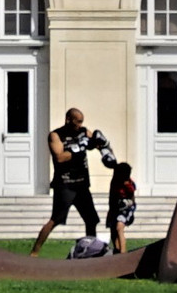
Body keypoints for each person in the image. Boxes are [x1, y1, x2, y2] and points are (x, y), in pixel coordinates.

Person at [30, 107, 111, 256]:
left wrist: (105, 150)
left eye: (82, 122)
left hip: (81, 185)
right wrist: (78, 148)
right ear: (68, 119)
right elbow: (59, 157)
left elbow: (96, 142)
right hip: (65, 185)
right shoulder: (56, 135)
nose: (80, 125)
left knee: (91, 219)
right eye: (77, 122)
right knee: (55, 220)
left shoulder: (83, 131)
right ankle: (34, 252)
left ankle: (91, 252)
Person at [106, 162, 137, 254]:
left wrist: (128, 203)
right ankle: (117, 251)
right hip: (115, 208)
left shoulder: (128, 184)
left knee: (119, 227)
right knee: (113, 231)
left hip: (125, 209)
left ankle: (123, 252)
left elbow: (132, 196)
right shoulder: (114, 182)